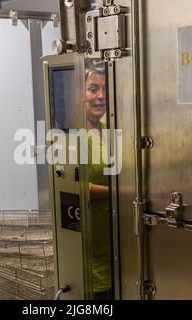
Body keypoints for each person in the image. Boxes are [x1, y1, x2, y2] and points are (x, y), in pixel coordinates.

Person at [85, 61, 113, 300]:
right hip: (92, 251)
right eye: (93, 89)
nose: (100, 96)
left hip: (117, 244)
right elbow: (77, 189)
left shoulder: (109, 128)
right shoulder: (68, 135)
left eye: (105, 89)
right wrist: (121, 192)